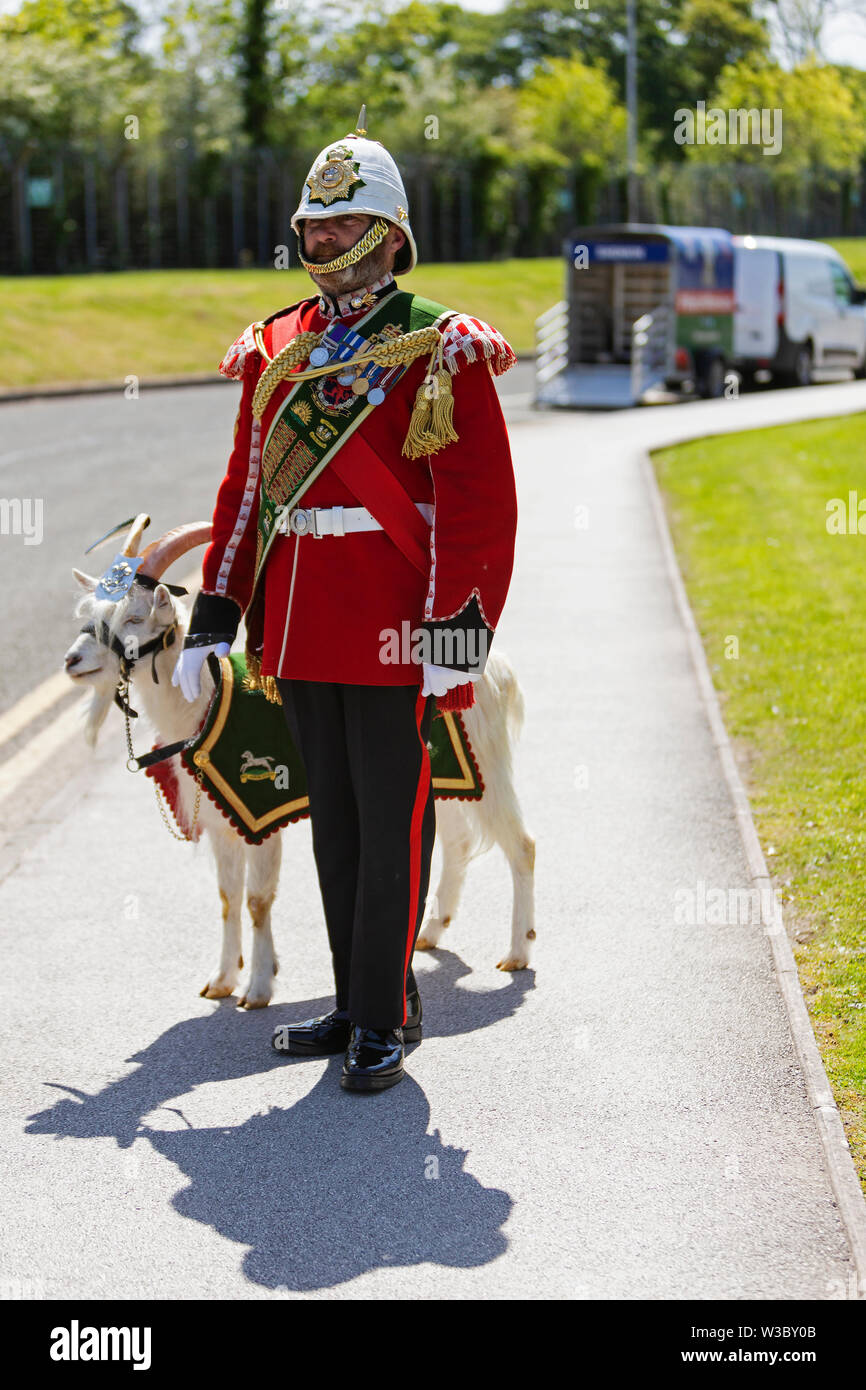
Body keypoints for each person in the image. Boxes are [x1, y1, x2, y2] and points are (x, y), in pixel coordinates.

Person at [172, 109, 518, 1092]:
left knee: (391, 815)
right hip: (300, 619)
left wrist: (455, 630)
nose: (320, 242)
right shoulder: (275, 346)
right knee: (334, 818)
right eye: (313, 227)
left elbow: (478, 503)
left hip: (394, 619)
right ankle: (356, 1000)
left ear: (390, 236)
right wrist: (217, 614)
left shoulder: (434, 345)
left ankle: (384, 1010)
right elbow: (246, 493)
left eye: (341, 225)